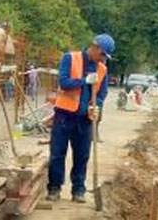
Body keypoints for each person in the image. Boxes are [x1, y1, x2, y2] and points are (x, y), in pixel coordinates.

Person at [46, 34, 115, 203]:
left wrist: (96, 105)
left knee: (82, 155)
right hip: (65, 115)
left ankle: (78, 190)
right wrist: (84, 81)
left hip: (85, 118)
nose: (103, 59)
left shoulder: (102, 69)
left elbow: (102, 92)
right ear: (95, 47)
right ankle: (54, 188)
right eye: (102, 55)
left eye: (105, 57)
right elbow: (64, 83)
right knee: (57, 153)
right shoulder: (70, 58)